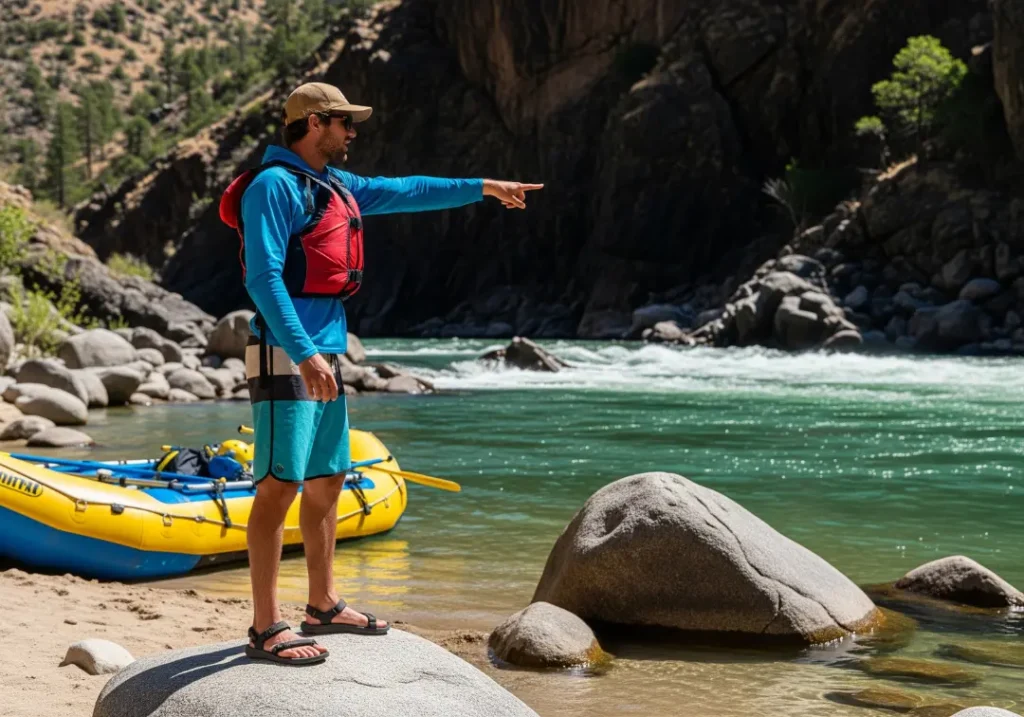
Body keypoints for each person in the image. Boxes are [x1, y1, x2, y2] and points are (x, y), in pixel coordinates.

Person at [227, 82, 543, 665]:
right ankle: (265, 626)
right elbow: (264, 278)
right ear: (316, 122)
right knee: (279, 486)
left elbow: (409, 189)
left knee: (326, 478)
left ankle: (322, 603)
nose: (353, 133)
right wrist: (303, 352)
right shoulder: (273, 186)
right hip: (285, 351)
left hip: (321, 349)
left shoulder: (334, 186)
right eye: (346, 123)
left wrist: (485, 188)